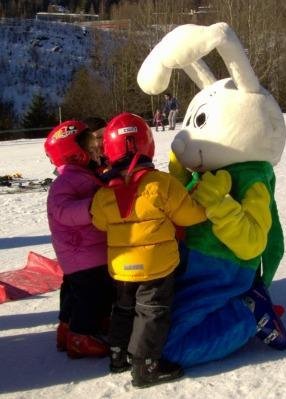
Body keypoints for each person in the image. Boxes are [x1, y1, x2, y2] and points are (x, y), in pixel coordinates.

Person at [90, 112, 206, 388]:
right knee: (152, 312)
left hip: (121, 268)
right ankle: (145, 367)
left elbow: (98, 222)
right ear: (147, 145)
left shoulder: (105, 192)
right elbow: (192, 217)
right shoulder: (162, 184)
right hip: (156, 267)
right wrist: (203, 198)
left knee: (123, 308)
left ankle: (117, 355)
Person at [44, 119, 115, 359]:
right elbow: (63, 210)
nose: (94, 148)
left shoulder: (83, 174)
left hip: (88, 252)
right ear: (73, 152)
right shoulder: (66, 181)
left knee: (89, 292)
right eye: (88, 144)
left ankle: (71, 328)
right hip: (82, 254)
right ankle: (79, 337)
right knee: (89, 295)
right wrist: (94, 206)